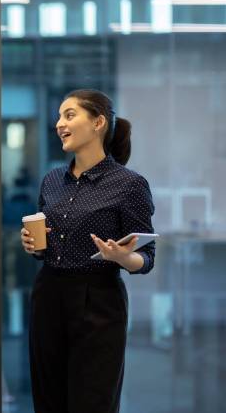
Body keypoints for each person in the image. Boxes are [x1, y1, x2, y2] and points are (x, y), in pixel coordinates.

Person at [20, 89, 155, 413]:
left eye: (69, 115)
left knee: (93, 400)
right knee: (47, 397)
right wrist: (34, 246)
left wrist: (124, 258)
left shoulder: (129, 184)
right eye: (59, 116)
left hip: (99, 299)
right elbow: (46, 246)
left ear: (98, 122)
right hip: (49, 294)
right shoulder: (52, 180)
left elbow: (147, 258)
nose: (59, 124)